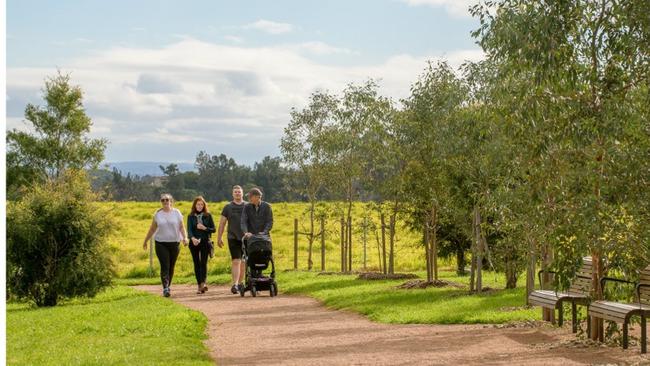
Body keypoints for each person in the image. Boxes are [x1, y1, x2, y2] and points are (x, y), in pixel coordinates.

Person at [143, 193, 188, 297]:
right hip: (160, 243)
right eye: (163, 200)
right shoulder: (157, 214)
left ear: (171, 201)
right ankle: (165, 288)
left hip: (175, 243)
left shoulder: (177, 213)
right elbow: (152, 229)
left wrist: (185, 237)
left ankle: (168, 286)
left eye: (167, 200)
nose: (165, 202)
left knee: (171, 266)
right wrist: (146, 240)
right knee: (165, 265)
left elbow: (181, 227)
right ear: (161, 202)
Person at [218, 185, 247, 294]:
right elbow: (222, 223)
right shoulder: (227, 207)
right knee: (236, 260)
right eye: (235, 192)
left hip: (246, 238)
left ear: (242, 193)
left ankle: (240, 283)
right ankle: (234, 284)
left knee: (244, 262)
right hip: (233, 237)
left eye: (239, 192)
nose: (237, 194)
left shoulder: (247, 206)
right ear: (232, 194)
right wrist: (219, 237)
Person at [187, 196, 216, 294]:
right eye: (198, 204)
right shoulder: (190, 216)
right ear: (195, 205)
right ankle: (199, 285)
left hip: (204, 241)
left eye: (201, 204)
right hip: (194, 242)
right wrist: (193, 238)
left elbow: (213, 229)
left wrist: (204, 228)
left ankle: (203, 283)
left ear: (204, 205)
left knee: (203, 263)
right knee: (196, 263)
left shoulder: (208, 215)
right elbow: (189, 230)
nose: (199, 206)